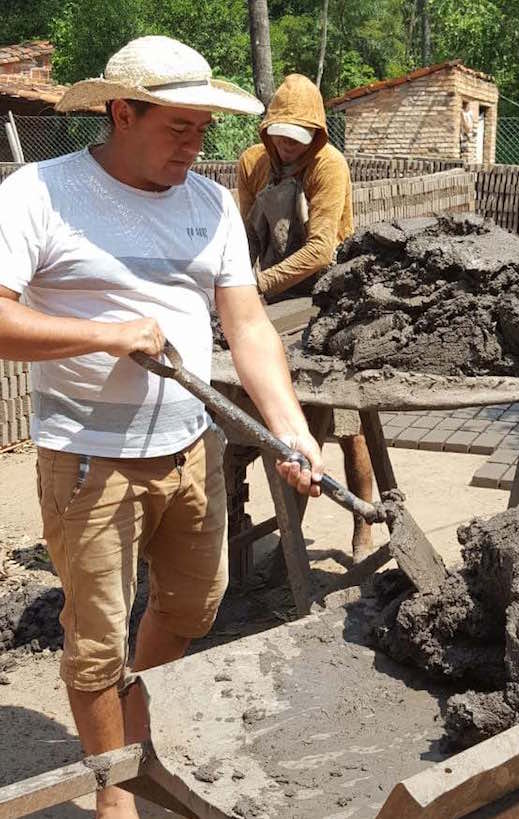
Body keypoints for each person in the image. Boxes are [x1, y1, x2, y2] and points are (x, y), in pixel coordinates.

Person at [0, 36, 324, 819]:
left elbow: (247, 327)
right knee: (97, 640)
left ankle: (132, 717)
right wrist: (106, 334)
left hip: (191, 446)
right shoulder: (40, 194)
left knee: (193, 605)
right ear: (122, 112)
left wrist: (290, 429)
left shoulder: (209, 203)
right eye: (179, 125)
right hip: (90, 457)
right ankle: (115, 788)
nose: (197, 143)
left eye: (204, 127)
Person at [237, 74, 375, 561]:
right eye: (279, 134)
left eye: (297, 138)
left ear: (315, 134)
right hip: (274, 295)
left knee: (345, 418)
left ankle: (364, 519)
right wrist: (236, 287)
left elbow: (320, 249)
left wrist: (261, 285)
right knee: (242, 408)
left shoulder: (328, 166)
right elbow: (246, 237)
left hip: (326, 293)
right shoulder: (253, 163)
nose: (285, 145)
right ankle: (242, 524)